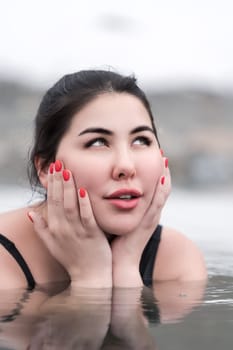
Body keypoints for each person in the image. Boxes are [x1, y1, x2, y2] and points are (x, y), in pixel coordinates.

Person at [0, 69, 207, 290]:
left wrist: (126, 265)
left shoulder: (177, 260)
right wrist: (90, 277)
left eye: (141, 140)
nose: (126, 166)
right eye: (98, 142)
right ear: (45, 169)